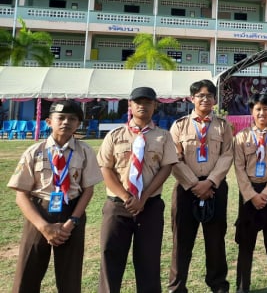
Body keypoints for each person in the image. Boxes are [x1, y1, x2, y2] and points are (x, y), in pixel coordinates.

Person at [7, 100, 102, 293]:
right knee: (27, 272)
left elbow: (88, 190)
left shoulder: (85, 152)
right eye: (61, 117)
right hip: (39, 213)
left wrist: (72, 222)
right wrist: (43, 226)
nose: (66, 122)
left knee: (70, 276)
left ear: (78, 124)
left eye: (72, 118)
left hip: (71, 212)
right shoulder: (34, 152)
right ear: (49, 121)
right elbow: (21, 195)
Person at [97, 86, 179, 293]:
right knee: (111, 258)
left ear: (155, 106)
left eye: (148, 102)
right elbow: (105, 168)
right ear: (130, 105)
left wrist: (143, 198)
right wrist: (127, 196)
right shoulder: (115, 135)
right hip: (117, 206)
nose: (143, 106)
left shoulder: (163, 136)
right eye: (138, 102)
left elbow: (166, 167)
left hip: (149, 206)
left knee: (149, 260)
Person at [168, 79, 234, 293]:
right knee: (181, 241)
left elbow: (227, 155)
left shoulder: (223, 126)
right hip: (187, 189)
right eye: (200, 95)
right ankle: (176, 287)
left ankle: (218, 285)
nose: (205, 99)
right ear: (192, 99)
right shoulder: (179, 126)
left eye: (209, 95)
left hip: (215, 188)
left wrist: (211, 182)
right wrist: (194, 184)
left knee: (215, 240)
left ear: (215, 99)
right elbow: (174, 158)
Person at [234, 93, 267, 293]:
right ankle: (242, 285)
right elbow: (238, 168)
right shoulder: (241, 137)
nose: (262, 112)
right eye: (258, 109)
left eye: (266, 108)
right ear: (251, 112)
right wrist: (251, 195)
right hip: (249, 194)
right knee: (245, 242)